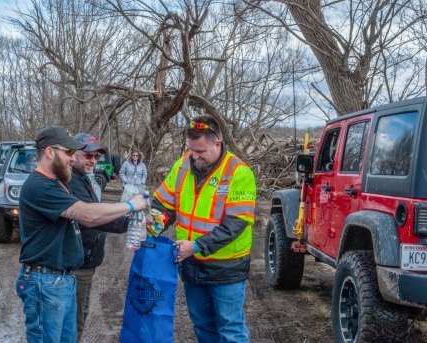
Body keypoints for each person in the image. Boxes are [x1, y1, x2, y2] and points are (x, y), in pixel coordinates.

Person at [16, 126, 146, 343]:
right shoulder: (39, 186)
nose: (71, 158)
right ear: (50, 152)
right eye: (68, 152)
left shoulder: (56, 184)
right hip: (45, 282)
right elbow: (87, 214)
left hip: (62, 280)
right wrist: (131, 206)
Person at [151, 115, 257, 343]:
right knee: (202, 327)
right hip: (191, 267)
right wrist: (152, 224)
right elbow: (163, 205)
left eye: (201, 152)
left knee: (231, 331)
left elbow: (235, 224)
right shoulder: (182, 166)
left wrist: (197, 246)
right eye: (191, 150)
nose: (194, 157)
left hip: (226, 269)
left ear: (217, 142)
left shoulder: (239, 173)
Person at [68, 133, 129, 342]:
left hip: (86, 262)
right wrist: (129, 217)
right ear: (72, 154)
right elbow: (93, 217)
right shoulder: (70, 180)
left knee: (80, 315)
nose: (93, 160)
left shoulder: (84, 178)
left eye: (95, 157)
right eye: (88, 155)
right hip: (76, 265)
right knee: (73, 321)